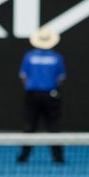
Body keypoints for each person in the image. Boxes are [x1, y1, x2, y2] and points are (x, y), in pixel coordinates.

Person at [17, 26, 66, 164]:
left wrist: (33, 85)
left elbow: (23, 77)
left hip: (32, 95)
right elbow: (61, 79)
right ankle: (58, 157)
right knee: (54, 126)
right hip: (51, 95)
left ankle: (24, 156)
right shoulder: (57, 58)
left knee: (29, 126)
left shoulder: (29, 56)